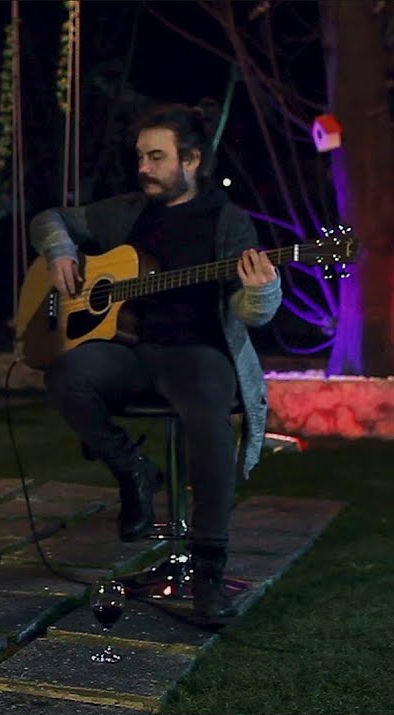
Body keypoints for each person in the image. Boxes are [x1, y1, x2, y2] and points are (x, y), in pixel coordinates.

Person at [28, 101, 282, 625]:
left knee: (209, 425)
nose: (142, 167)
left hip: (200, 355)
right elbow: (48, 218)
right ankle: (135, 469)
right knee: (66, 374)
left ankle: (209, 571)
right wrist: (60, 252)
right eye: (141, 156)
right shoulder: (126, 211)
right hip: (133, 351)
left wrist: (263, 290)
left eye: (156, 157)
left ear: (190, 160)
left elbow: (250, 314)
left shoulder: (229, 224)